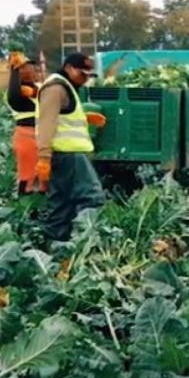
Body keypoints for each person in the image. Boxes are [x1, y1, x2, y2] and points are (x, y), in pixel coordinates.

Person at [36, 53, 106, 241]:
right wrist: (43, 156)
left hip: (63, 155)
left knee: (61, 205)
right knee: (92, 198)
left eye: (88, 75)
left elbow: (63, 118)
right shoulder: (56, 88)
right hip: (69, 156)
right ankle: (85, 243)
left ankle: (53, 248)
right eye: (82, 74)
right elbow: (46, 122)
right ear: (68, 68)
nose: (85, 79)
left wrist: (86, 118)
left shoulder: (65, 87)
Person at [6, 51, 44, 195]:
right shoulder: (15, 93)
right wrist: (14, 69)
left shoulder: (39, 87)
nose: (30, 70)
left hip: (45, 136)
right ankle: (27, 206)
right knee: (28, 176)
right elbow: (14, 96)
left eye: (31, 67)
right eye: (23, 67)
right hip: (27, 136)